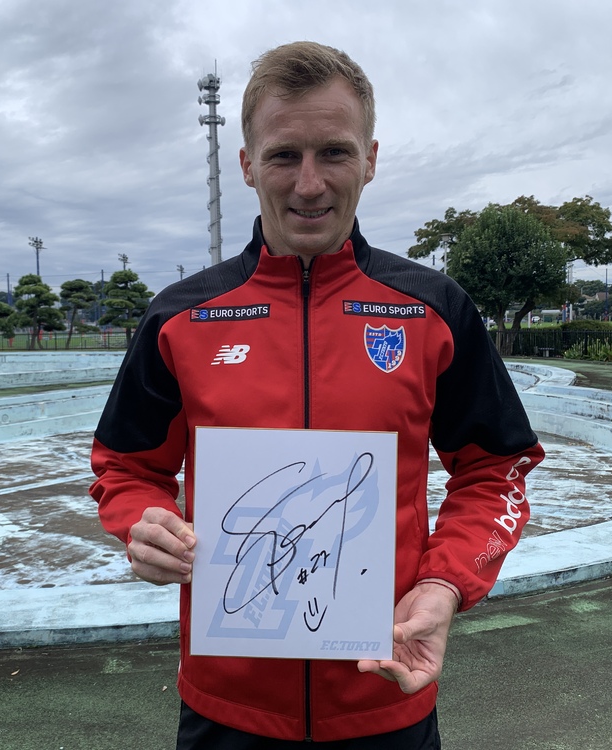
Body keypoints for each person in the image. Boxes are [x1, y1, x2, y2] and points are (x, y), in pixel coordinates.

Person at [90, 41, 544, 747]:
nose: (309, 184)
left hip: (385, 695)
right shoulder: (180, 318)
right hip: (226, 709)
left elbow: (496, 471)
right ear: (247, 165)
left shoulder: (434, 310)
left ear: (370, 159)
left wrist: (445, 583)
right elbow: (125, 467)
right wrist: (142, 523)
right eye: (283, 156)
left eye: (334, 152)